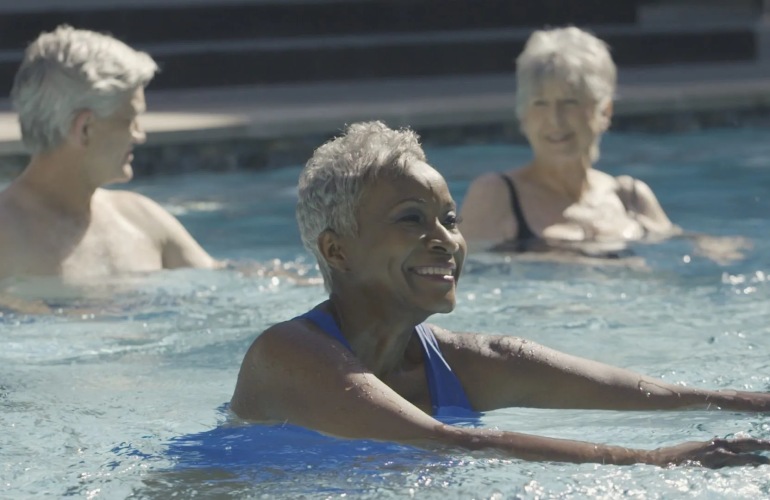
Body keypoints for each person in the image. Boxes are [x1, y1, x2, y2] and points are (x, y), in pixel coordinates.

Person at [230, 121, 770, 468]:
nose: (446, 240)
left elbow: (661, 394)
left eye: (449, 218)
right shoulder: (287, 356)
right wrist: (653, 461)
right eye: (411, 220)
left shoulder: (451, 361)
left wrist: (748, 404)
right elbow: (451, 441)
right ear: (337, 250)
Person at [459, 27, 748, 263]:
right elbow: (461, 275)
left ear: (604, 112)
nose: (554, 120)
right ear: (522, 115)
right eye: (540, 104)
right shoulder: (497, 195)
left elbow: (675, 241)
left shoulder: (631, 198)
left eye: (570, 102)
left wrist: (709, 246)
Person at [0, 25, 219, 284]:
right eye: (129, 120)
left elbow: (228, 284)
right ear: (85, 129)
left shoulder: (141, 218)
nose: (139, 135)